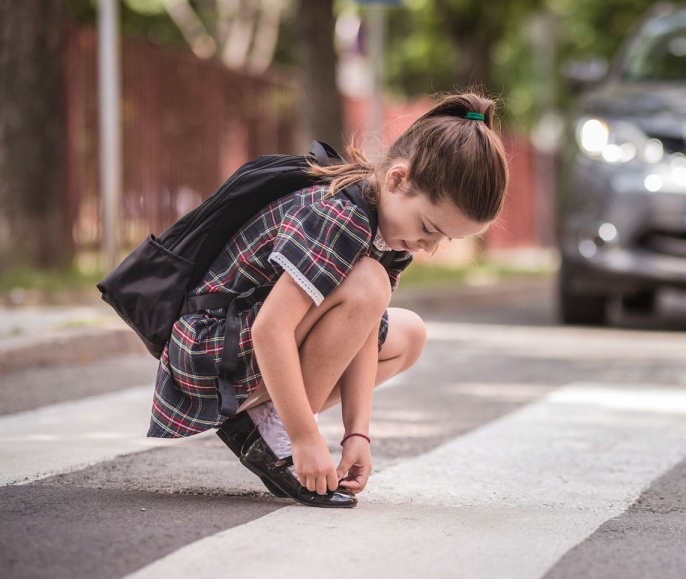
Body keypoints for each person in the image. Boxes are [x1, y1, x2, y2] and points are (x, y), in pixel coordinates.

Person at [146, 91, 510, 508]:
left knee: (409, 334)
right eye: (429, 228)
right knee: (370, 283)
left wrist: (357, 435)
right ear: (397, 179)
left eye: (443, 238)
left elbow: (363, 330)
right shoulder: (342, 215)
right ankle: (278, 426)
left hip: (240, 348)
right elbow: (270, 328)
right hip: (209, 350)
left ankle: (270, 418)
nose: (428, 246)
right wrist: (305, 439)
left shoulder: (388, 229)